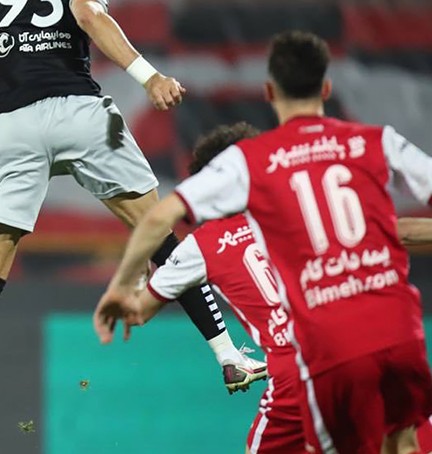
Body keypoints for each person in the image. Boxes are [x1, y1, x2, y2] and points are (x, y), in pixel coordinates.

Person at [0, 0, 260, 449]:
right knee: (161, 237)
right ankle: (229, 356)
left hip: (12, 126)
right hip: (83, 115)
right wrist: (149, 76)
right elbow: (89, 17)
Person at [96, 31, 432, 454]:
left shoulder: (248, 180)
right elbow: (396, 230)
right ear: (327, 88)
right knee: (402, 442)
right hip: (395, 330)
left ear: (270, 92)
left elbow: (158, 224)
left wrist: (125, 287)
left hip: (313, 359)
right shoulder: (361, 150)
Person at [136, 122, 432, 454]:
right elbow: (400, 231)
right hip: (369, 345)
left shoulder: (204, 244)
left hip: (298, 369)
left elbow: (136, 310)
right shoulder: (305, 209)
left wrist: (135, 276)